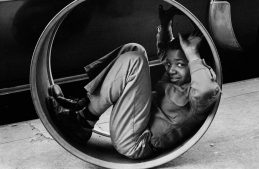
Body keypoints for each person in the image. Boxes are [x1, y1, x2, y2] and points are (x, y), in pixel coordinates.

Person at [47, 5, 221, 159]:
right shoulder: (178, 73)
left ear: (195, 63)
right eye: (169, 64)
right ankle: (85, 103)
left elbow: (206, 90)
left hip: (136, 141)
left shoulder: (199, 94)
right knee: (134, 49)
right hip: (138, 122)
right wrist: (166, 25)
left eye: (181, 64)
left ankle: (82, 121)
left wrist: (192, 55)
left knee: (134, 61)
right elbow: (167, 53)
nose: (171, 69)